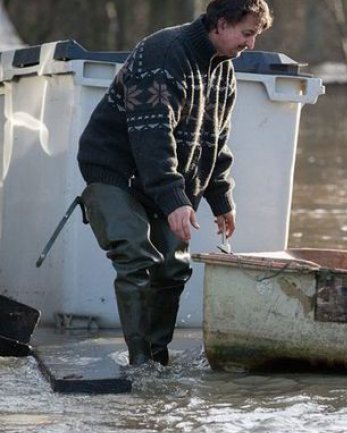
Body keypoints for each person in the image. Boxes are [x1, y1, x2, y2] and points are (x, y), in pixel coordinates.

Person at [77, 0, 273, 366]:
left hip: (165, 179)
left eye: (255, 36)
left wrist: (221, 199)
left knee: (173, 267)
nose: (251, 45)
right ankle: (140, 366)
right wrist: (174, 198)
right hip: (115, 169)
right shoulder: (164, 53)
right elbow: (153, 137)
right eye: (247, 34)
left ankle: (157, 358)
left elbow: (216, 139)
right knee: (137, 255)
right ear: (220, 24)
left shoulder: (224, 71)